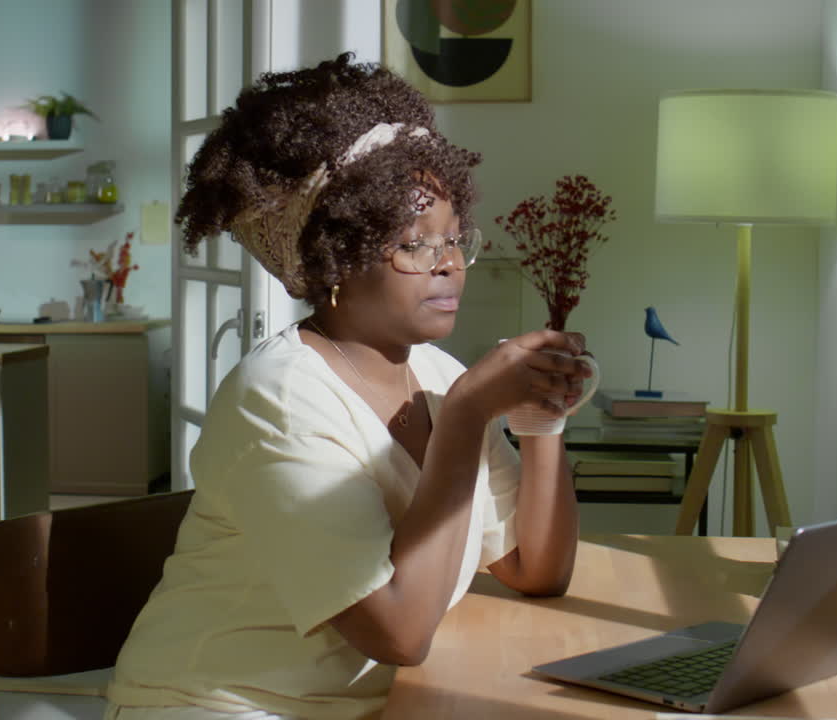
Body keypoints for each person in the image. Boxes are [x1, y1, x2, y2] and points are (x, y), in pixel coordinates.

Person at [105, 53, 590, 720]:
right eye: (414, 245)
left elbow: (536, 570)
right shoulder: (278, 400)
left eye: (454, 239)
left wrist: (541, 424)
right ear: (333, 256)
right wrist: (468, 416)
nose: (448, 263)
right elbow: (398, 634)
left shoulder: (436, 375)